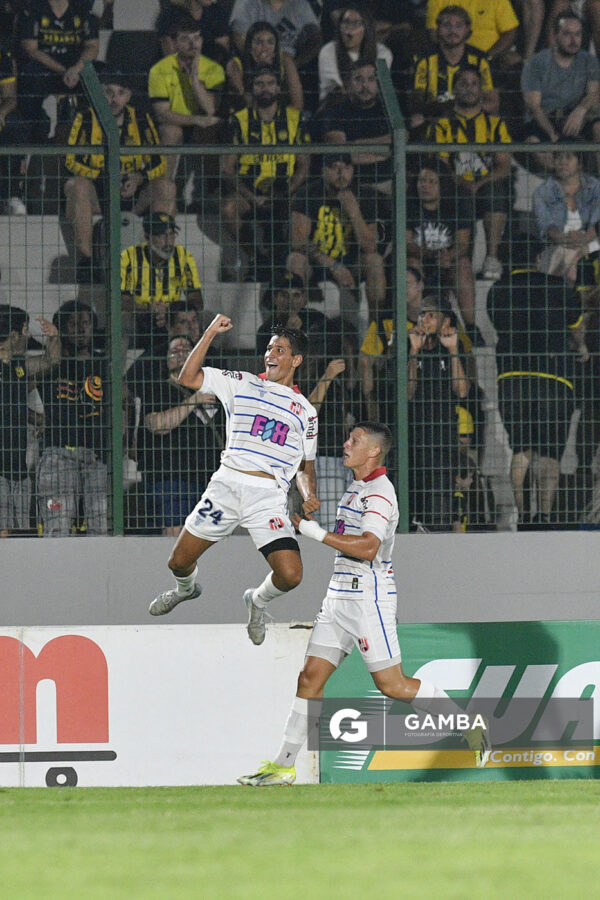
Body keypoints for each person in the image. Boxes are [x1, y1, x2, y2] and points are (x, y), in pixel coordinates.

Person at [238, 422, 491, 785]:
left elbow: (370, 547)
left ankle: (468, 724)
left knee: (393, 685)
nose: (345, 444)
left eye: (354, 441)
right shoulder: (357, 487)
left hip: (368, 598)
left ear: (373, 451)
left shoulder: (380, 492)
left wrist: (317, 533)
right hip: (338, 595)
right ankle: (283, 766)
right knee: (310, 677)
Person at [149, 313, 320, 649]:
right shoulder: (241, 382)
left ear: (296, 360)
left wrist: (308, 494)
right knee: (178, 562)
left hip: (267, 497)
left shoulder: (305, 411)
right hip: (226, 487)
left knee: (291, 575)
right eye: (269, 348)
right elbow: (188, 376)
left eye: (280, 350)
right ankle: (187, 589)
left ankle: (257, 601)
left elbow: (305, 467)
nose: (271, 354)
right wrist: (211, 332)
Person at [487, 262, 584, 526]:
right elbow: (576, 329)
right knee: (550, 454)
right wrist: (582, 348)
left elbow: (496, 325)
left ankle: (523, 515)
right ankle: (544, 516)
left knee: (521, 451)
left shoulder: (498, 289)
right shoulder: (558, 287)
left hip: (512, 379)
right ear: (539, 257)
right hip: (554, 378)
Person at [64, 70, 175, 283]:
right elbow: (71, 160)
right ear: (99, 94)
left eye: (120, 93)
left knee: (166, 187)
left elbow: (159, 161)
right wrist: (105, 177)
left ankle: (160, 258)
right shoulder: (85, 117)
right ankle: (88, 263)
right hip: (99, 192)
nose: (114, 99)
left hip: (133, 192)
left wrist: (140, 177)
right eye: (108, 92)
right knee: (76, 185)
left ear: (129, 96)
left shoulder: (141, 118)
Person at [220, 65, 309, 280]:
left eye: (270, 83)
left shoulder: (295, 119)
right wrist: (251, 196)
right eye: (259, 84)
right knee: (229, 208)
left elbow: (304, 166)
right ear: (251, 89)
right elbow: (226, 169)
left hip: (285, 187)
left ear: (279, 88)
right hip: (249, 189)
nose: (265, 88)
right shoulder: (238, 120)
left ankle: (286, 263)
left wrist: (287, 191)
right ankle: (256, 257)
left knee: (301, 207)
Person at [288, 152, 386, 345]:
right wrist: (332, 265)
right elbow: (298, 241)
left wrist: (353, 211)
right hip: (318, 263)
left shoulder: (364, 195)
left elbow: (370, 246)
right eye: (335, 168)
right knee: (295, 260)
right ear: (324, 171)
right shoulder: (309, 193)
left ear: (353, 170)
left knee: (375, 261)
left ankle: (377, 333)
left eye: (346, 168)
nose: (342, 174)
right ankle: (293, 329)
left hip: (353, 264)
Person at [36, 300, 110, 537]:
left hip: (95, 456)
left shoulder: (102, 364)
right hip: (57, 454)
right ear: (62, 328)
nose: (80, 329)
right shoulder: (51, 364)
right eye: (73, 324)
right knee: (57, 529)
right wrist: (36, 419)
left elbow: (123, 402)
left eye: (86, 324)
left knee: (99, 529)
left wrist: (125, 440)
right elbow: (17, 392)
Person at [136, 333, 221, 536]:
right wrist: (193, 401)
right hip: (172, 479)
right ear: (166, 361)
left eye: (186, 350)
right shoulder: (158, 389)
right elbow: (157, 424)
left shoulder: (214, 391)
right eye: (174, 351)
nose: (180, 352)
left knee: (209, 540)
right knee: (178, 539)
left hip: (210, 481)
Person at [434, 65, 512, 281]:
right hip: (454, 187)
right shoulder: (442, 124)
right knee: (461, 197)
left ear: (481, 90)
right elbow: (441, 166)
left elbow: (503, 166)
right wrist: (462, 182)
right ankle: (462, 261)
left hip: (484, 185)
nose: (469, 89)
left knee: (496, 190)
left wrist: (478, 183)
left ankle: (492, 259)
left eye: (474, 84)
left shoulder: (495, 124)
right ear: (454, 90)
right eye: (463, 84)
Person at [408, 296, 472, 531]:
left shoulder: (453, 347)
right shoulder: (409, 344)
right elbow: (408, 393)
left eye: (432, 314)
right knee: (412, 497)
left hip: (442, 436)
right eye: (422, 314)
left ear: (446, 321)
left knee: (439, 500)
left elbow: (462, 391)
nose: (425, 319)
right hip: (413, 434)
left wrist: (453, 349)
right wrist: (413, 352)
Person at [0, 305, 59, 534]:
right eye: (25, 331)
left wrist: (53, 338)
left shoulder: (18, 367)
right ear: (14, 335)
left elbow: (51, 362)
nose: (27, 337)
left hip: (18, 466)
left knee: (23, 532)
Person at [406, 160, 479, 344]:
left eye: (432, 182)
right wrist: (431, 255)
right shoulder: (408, 205)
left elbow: (463, 244)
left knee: (463, 265)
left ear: (442, 185)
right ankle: (417, 322)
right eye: (422, 181)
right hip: (421, 260)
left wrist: (448, 256)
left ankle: (471, 327)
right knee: (411, 264)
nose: (425, 186)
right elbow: (406, 243)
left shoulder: (456, 204)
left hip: (448, 263)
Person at [148, 15, 225, 180]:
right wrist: (195, 119)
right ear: (175, 44)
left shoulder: (214, 68)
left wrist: (195, 81)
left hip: (203, 125)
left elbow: (210, 108)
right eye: (186, 39)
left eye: (197, 38)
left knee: (210, 129)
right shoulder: (159, 69)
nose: (193, 44)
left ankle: (211, 191)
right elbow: (162, 114)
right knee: (170, 131)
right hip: (176, 122)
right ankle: (165, 190)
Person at [521, 12, 600, 171]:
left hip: (575, 118)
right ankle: (565, 181)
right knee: (534, 145)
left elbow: (593, 93)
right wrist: (551, 133)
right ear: (555, 35)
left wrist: (580, 111)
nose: (573, 40)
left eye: (577, 35)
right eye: (567, 34)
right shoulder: (537, 63)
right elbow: (534, 107)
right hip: (545, 119)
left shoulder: (589, 61)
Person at [121, 212, 203, 355]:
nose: (168, 241)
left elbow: (196, 300)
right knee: (122, 322)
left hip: (173, 316)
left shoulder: (183, 256)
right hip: (141, 316)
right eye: (161, 235)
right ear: (147, 237)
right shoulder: (129, 257)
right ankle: (115, 375)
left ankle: (205, 370)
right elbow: (122, 301)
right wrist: (149, 308)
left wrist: (170, 311)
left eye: (171, 234)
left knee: (209, 320)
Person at [17, 0, 99, 139]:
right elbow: (31, 49)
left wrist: (76, 69)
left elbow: (92, 46)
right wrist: (63, 71)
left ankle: (87, 133)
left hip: (76, 67)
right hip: (45, 67)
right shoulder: (32, 9)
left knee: (100, 74)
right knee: (29, 78)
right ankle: (35, 136)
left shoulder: (83, 9)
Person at [411, 5, 497, 136]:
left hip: (472, 113)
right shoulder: (425, 60)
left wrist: (463, 109)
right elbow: (417, 99)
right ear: (437, 29)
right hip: (436, 114)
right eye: (446, 25)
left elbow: (492, 101)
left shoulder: (480, 60)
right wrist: (442, 109)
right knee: (416, 120)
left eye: (458, 26)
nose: (452, 31)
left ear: (467, 30)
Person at [533, 147, 600, 286]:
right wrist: (565, 239)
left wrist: (582, 243)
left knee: (573, 259)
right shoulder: (542, 192)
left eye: (568, 157)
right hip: (560, 243)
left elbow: (597, 224)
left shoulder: (595, 187)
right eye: (558, 157)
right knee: (563, 255)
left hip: (592, 242)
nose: (563, 162)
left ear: (580, 163)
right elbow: (547, 227)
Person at [322, 61, 392, 194]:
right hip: (349, 185)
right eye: (358, 79)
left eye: (371, 79)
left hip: (387, 182)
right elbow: (340, 153)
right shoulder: (336, 110)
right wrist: (383, 152)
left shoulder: (388, 109)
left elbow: (400, 141)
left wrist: (356, 144)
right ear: (348, 84)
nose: (365, 85)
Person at [318, 4, 392, 104]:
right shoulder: (329, 51)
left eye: (356, 24)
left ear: (367, 28)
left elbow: (380, 91)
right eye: (346, 23)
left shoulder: (383, 54)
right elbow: (336, 92)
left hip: (372, 109)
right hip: (337, 109)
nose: (349, 30)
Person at [226, 20, 303, 112]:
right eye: (259, 42)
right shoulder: (235, 65)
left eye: (270, 42)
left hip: (280, 119)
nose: (265, 48)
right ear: (250, 47)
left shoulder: (285, 60)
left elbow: (297, 103)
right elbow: (245, 102)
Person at [425, 0, 519, 65]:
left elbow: (510, 32)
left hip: (491, 58)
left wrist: (486, 58)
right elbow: (433, 35)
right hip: (450, 60)